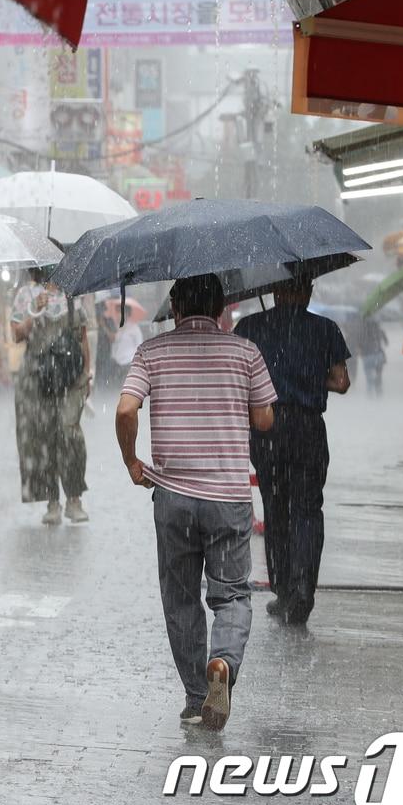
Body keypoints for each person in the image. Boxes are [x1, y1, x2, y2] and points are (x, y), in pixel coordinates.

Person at [116, 274, 276, 731]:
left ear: (175, 306)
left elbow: (126, 409)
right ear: (223, 307)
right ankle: (222, 662)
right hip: (227, 496)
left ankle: (194, 697)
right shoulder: (245, 351)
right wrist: (233, 397)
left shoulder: (152, 351)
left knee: (181, 598)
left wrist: (131, 462)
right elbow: (265, 419)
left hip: (174, 497)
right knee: (231, 594)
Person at [234, 276, 350, 626]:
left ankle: (283, 590)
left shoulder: (250, 327)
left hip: (266, 425)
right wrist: (311, 378)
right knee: (308, 509)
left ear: (273, 290)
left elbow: (239, 377)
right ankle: (303, 590)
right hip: (308, 427)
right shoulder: (325, 329)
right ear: (308, 292)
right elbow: (341, 382)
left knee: (275, 507)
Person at [12, 267, 92, 525]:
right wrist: (34, 311)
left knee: (69, 431)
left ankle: (75, 498)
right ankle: (52, 501)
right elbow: (16, 334)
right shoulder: (26, 294)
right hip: (37, 376)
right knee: (43, 437)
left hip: (71, 375)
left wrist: (87, 373)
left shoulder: (74, 292)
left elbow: (82, 337)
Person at [354, 315, 389, 397]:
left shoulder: (362, 332)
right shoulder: (380, 331)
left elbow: (358, 346)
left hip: (367, 356)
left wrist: (361, 350)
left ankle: (370, 397)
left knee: (369, 379)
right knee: (378, 376)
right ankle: (379, 394)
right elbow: (386, 343)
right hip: (378, 356)